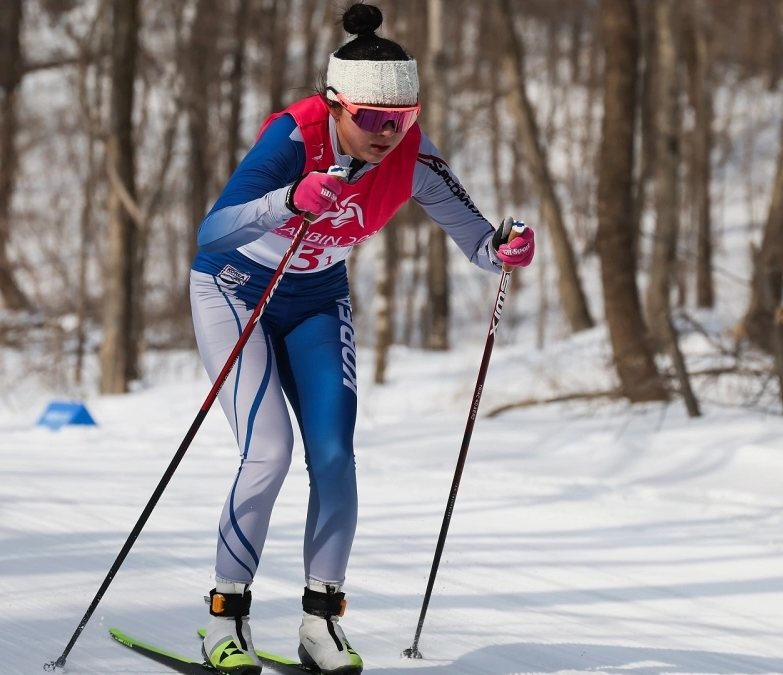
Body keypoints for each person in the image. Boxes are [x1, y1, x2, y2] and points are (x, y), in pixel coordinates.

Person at [189, 4, 535, 674]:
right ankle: (224, 622)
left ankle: (321, 624)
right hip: (236, 291)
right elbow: (212, 231)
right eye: (373, 120)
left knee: (335, 455)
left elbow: (480, 244)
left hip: (317, 297)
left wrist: (506, 248)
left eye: (402, 120)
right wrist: (288, 200)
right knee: (267, 451)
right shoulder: (293, 137)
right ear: (335, 106)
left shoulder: (414, 158)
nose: (388, 134)